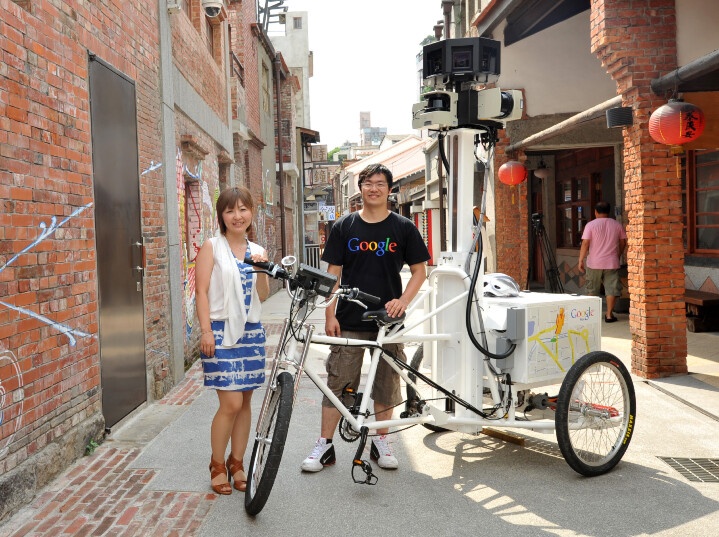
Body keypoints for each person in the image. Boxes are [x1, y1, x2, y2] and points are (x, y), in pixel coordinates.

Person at [300, 163, 430, 473]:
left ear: (389, 189)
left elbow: (419, 271)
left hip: (388, 321)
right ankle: (324, 446)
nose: (374, 188)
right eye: (368, 183)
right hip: (349, 319)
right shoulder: (345, 227)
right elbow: (331, 274)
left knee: (386, 384)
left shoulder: (403, 227)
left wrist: (403, 300)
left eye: (380, 183)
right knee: (338, 382)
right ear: (360, 188)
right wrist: (329, 313)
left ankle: (380, 442)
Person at [195, 186, 270, 495]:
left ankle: (237, 463)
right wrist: (205, 331)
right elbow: (200, 292)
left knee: (246, 402)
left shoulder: (257, 249)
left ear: (251, 212)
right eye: (230, 210)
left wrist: (261, 268)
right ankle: (216, 464)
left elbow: (262, 296)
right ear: (222, 216)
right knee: (231, 402)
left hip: (251, 332)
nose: (237, 216)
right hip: (219, 331)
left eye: (243, 209)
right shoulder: (212, 246)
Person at [577, 201, 627, 323]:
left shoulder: (590, 225)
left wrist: (581, 260)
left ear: (595, 212)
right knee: (612, 289)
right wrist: (618, 254)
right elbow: (623, 242)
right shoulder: (617, 224)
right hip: (611, 262)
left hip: (594, 263)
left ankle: (591, 316)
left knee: (592, 289)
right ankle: (609, 315)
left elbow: (585, 243)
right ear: (608, 212)